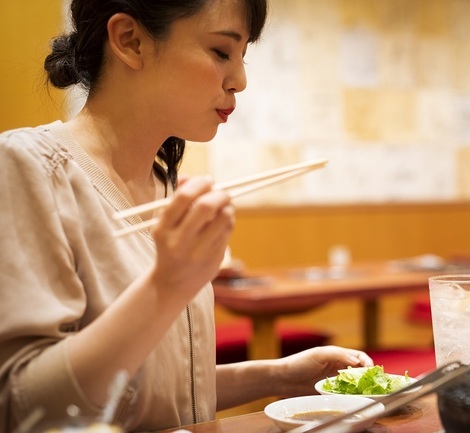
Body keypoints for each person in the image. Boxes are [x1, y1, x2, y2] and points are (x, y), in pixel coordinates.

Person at [0, 0, 373, 431]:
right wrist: (166, 285)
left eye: (242, 56)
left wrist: (281, 374)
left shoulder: (165, 188)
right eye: (220, 52)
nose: (241, 80)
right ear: (130, 40)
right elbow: (22, 405)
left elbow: (155, 387)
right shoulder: (28, 166)